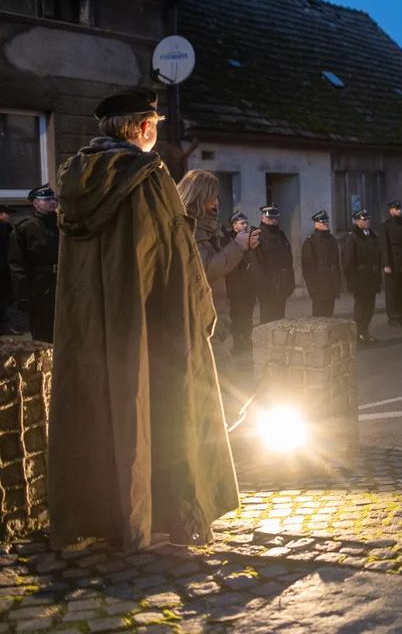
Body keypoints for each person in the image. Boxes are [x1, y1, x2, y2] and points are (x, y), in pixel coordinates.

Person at [49, 86, 238, 550]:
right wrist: (198, 313)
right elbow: (174, 260)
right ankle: (165, 513)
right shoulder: (148, 177)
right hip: (150, 326)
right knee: (158, 405)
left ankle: (99, 515)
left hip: (92, 327)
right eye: (154, 125)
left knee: (100, 408)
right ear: (143, 127)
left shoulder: (75, 180)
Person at [177, 170, 258, 348]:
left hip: (214, 312)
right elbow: (205, 267)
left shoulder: (209, 224)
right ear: (198, 197)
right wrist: (238, 244)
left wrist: (243, 246)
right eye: (212, 197)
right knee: (224, 371)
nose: (216, 202)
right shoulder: (190, 227)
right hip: (201, 316)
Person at [8, 185, 59, 343]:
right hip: (39, 290)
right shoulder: (25, 229)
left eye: (53, 199)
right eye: (46, 200)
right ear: (35, 203)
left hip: (64, 286)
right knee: (43, 337)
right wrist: (22, 296)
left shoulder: (63, 226)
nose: (52, 202)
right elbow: (17, 265)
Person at [341, 209, 382, 343]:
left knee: (370, 307)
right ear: (357, 221)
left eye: (368, 219)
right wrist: (351, 281)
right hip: (360, 278)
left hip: (371, 277)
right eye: (364, 220)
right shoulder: (353, 238)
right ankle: (359, 333)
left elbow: (377, 257)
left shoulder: (372, 236)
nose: (367, 222)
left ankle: (366, 332)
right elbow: (347, 262)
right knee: (361, 307)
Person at [251, 204, 295, 324]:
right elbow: (256, 265)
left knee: (280, 321)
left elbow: (288, 260)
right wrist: (262, 287)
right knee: (267, 321)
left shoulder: (281, 235)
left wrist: (290, 281)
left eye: (275, 218)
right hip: (268, 285)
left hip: (282, 284)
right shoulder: (259, 235)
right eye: (270, 218)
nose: (273, 220)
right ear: (263, 218)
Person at [226, 212, 257, 355]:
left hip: (248, 284)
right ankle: (238, 343)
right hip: (235, 284)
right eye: (242, 223)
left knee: (248, 315)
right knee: (237, 315)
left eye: (246, 223)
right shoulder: (229, 240)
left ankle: (247, 340)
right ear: (234, 225)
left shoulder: (250, 239)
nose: (245, 226)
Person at [301, 210, 342, 318]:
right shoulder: (311, 241)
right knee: (319, 315)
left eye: (327, 222)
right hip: (319, 284)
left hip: (331, 283)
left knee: (329, 314)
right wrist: (312, 288)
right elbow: (307, 267)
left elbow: (336, 262)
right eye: (323, 222)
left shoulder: (332, 239)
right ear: (316, 224)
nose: (326, 224)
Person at [379, 200, 402, 327]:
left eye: (399, 209)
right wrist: (386, 264)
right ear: (391, 211)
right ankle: (392, 317)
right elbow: (384, 246)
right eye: (396, 209)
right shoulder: (385, 226)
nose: (399, 211)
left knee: (401, 291)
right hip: (391, 263)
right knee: (392, 292)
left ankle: (400, 315)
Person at [0, 204, 15, 335]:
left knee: (6, 298)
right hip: (3, 269)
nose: (10, 216)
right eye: (7, 213)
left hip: (6, 270)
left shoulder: (7, 228)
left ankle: (6, 324)